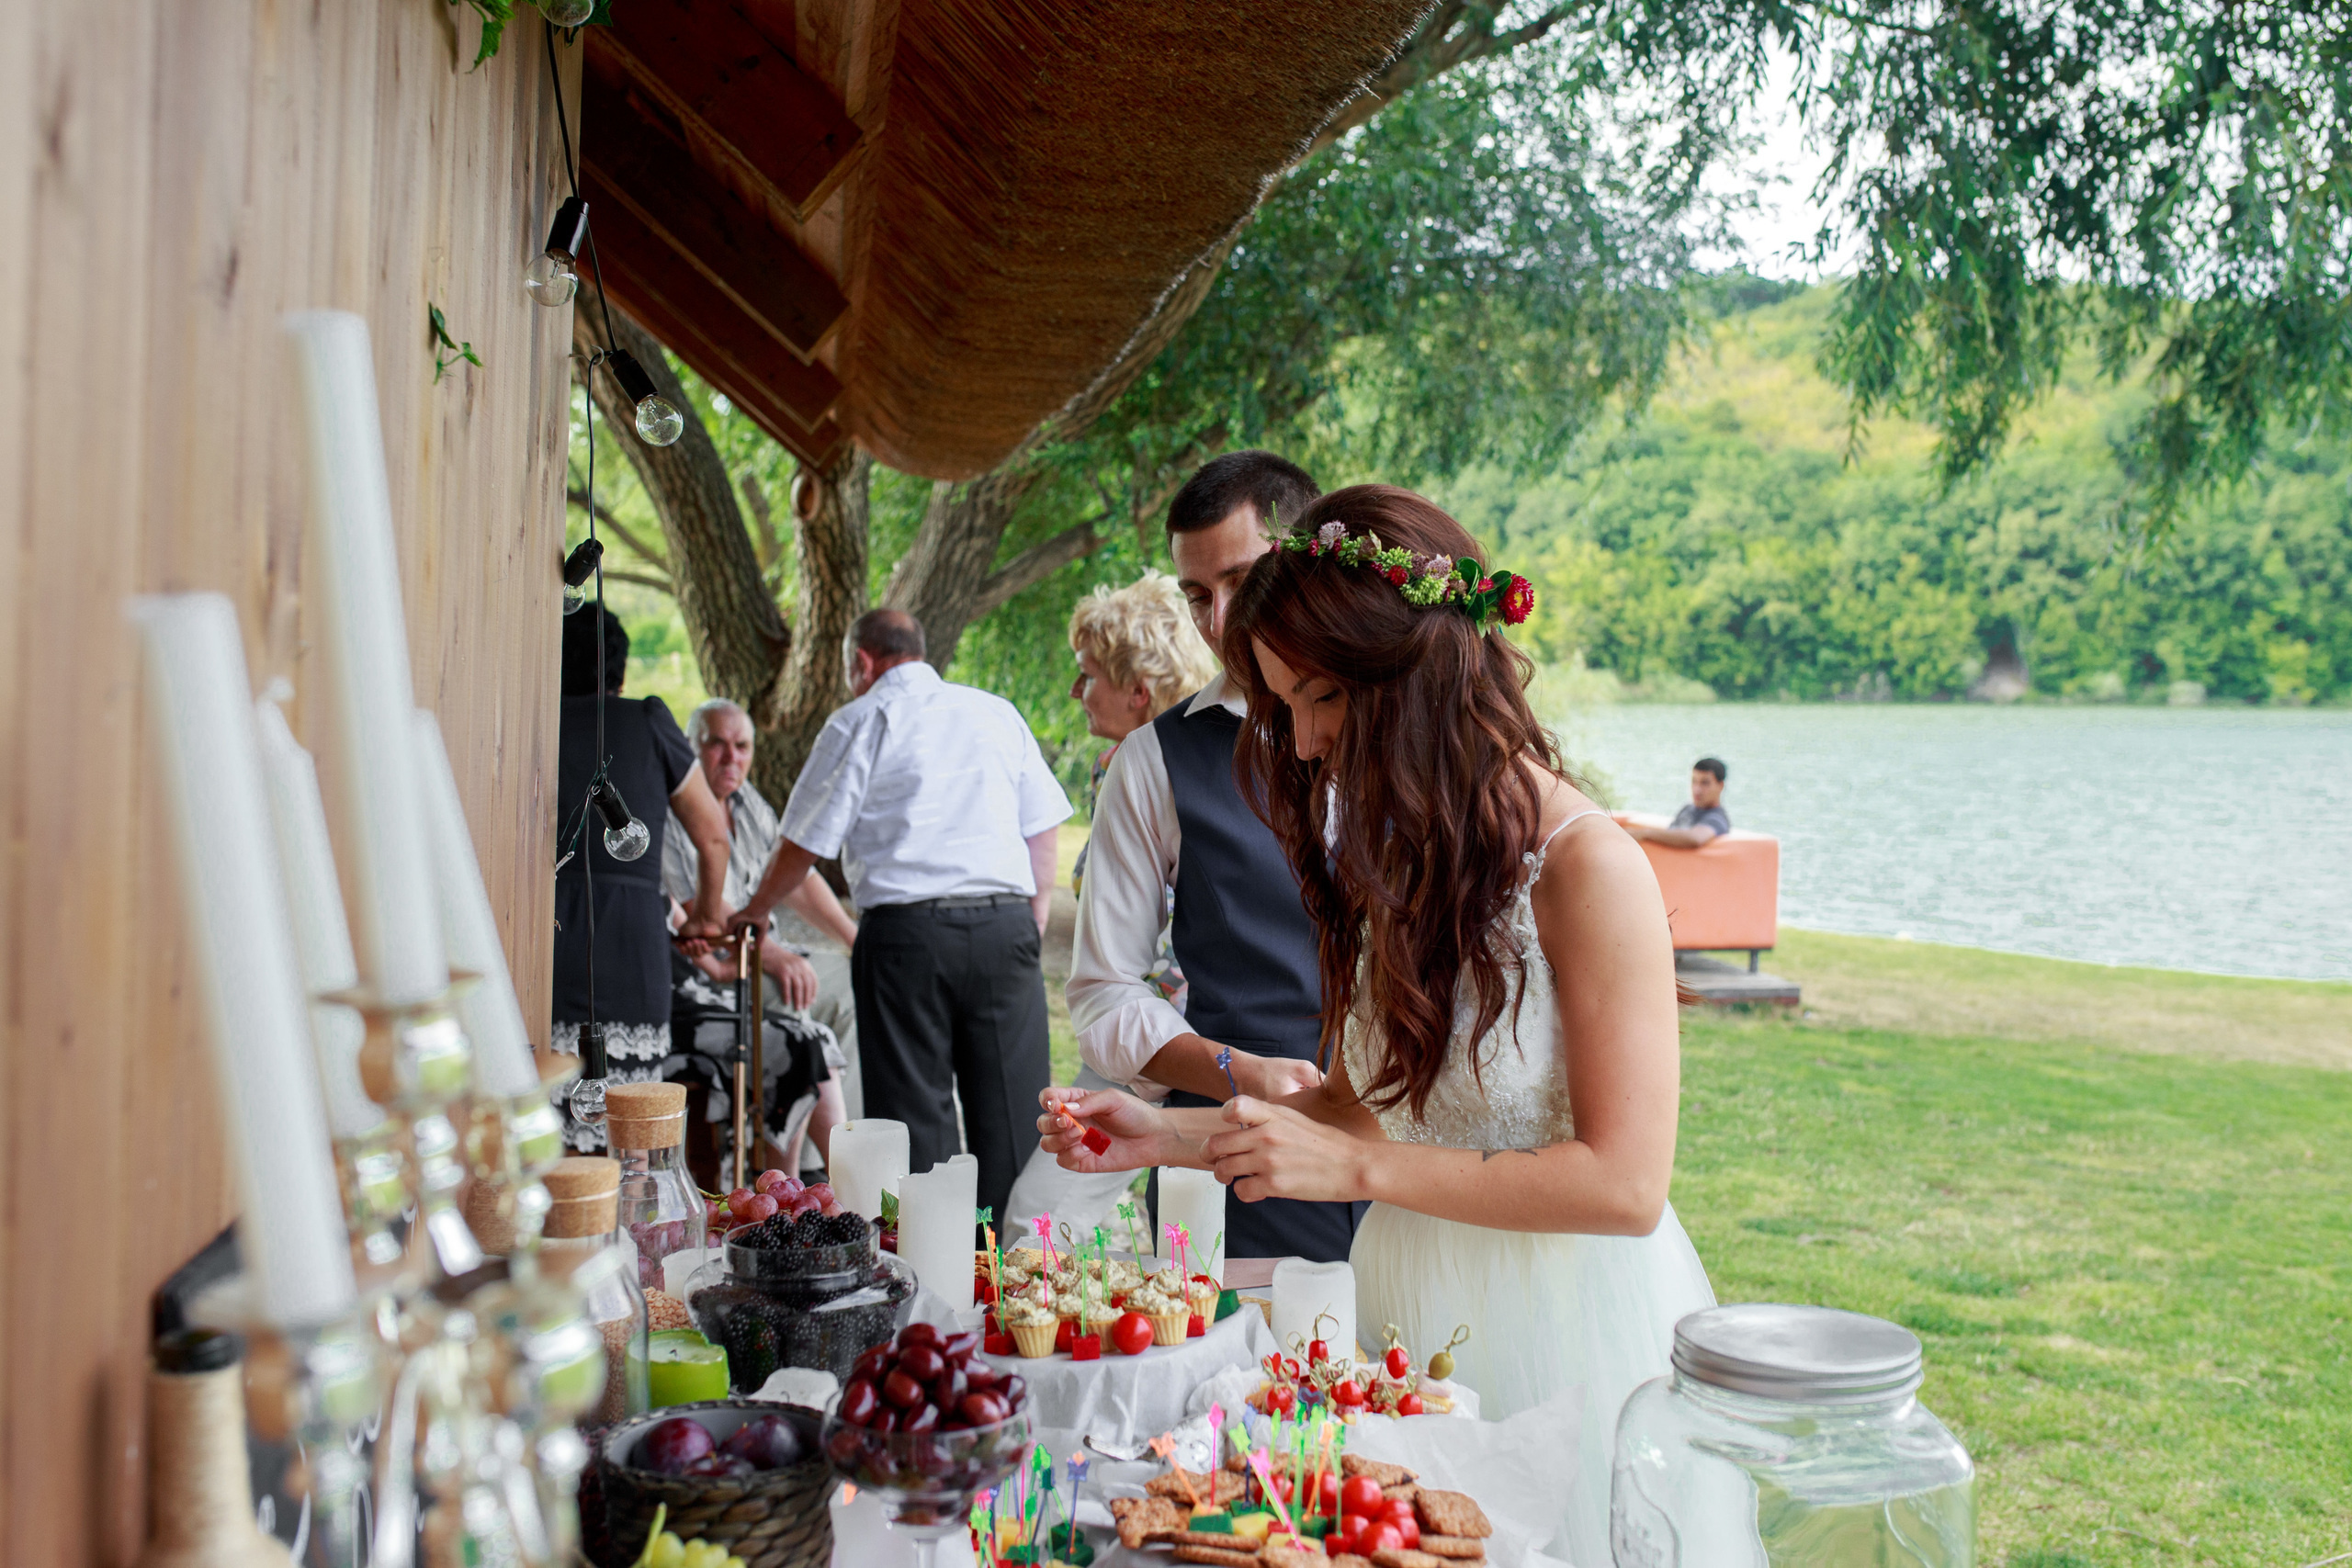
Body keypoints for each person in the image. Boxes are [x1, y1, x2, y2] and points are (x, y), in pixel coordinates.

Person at [1038, 487, 1714, 1566]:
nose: (1302, 745)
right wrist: (1164, 1137)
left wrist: (1364, 1175)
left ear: (1422, 678)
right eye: (1283, 707)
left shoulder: (1588, 869)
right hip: (1403, 1305)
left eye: (1322, 702)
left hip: (1559, 1322)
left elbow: (1624, 1189)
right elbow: (1357, 1114)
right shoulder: (1396, 850)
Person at [1064, 451, 1358, 1266]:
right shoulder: (1153, 761)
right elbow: (1104, 990)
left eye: (1242, 580)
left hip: (1416, 1174)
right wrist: (1237, 1070)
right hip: (1235, 1174)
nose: (1220, 618)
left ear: (1308, 557)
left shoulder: (1400, 730)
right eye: (1198, 595)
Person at [729, 609, 1071, 1223]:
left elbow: (802, 843)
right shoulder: (995, 711)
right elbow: (1043, 824)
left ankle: (939, 1289)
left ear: (862, 662)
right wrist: (1032, 918)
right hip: (1004, 927)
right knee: (1016, 1117)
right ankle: (1020, 1286)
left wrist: (754, 909)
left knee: (916, 1123)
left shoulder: (860, 718)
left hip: (907, 935)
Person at [1003, 572, 1217, 1236]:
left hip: (1148, 1045)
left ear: (1138, 691)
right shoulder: (1157, 763)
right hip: (1150, 1042)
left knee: (1041, 1212)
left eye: (1087, 674)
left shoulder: (1148, 767)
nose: (1075, 691)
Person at [549, 605, 733, 1151]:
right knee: (628, 1138)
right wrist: (705, 915)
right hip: (632, 944)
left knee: (549, 1132)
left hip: (547, 936)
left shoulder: (533, 719)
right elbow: (715, 837)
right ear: (621, 673)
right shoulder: (650, 720)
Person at [662, 698, 855, 1180]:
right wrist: (771, 954)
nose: (731, 759)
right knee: (794, 992)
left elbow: (796, 878)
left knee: (857, 985)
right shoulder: (671, 809)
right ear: (691, 748)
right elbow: (694, 907)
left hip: (766, 952)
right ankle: (800, 1172)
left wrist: (856, 938)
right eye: (716, 745)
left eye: (742, 746)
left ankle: (844, 1153)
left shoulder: (747, 801)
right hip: (716, 965)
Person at [1623, 756, 1732, 847]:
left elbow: (1696, 838)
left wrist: (1645, 833)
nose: (1697, 789)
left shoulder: (1717, 818)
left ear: (1720, 786)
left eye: (1705, 783)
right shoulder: (1688, 809)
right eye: (1694, 781)